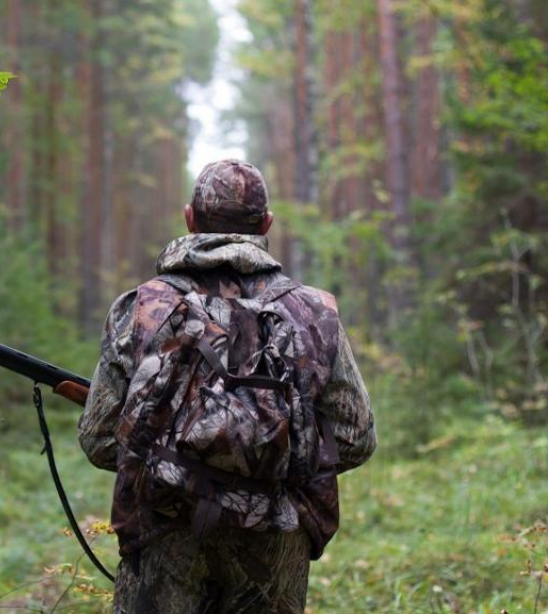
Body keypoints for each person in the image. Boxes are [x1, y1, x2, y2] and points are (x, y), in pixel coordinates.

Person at [78, 159, 376, 614]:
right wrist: (271, 464)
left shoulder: (141, 308)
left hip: (164, 530)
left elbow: (99, 440)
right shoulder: (315, 312)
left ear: (190, 218)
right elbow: (356, 439)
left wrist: (176, 462)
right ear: (266, 225)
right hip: (276, 536)